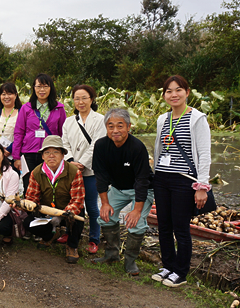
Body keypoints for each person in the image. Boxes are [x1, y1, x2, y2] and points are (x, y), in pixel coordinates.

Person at [152, 75, 211, 288]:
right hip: (161, 178)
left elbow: (204, 154)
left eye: (178, 90)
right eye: (169, 91)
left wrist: (201, 186)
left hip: (184, 180)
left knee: (180, 227)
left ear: (187, 92)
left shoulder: (197, 118)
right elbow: (160, 149)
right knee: (164, 225)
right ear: (164, 95)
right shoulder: (162, 119)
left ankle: (181, 271)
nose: (173, 94)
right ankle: (168, 265)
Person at [92, 108, 154, 275]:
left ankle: (130, 260)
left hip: (141, 190)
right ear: (106, 128)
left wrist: (137, 210)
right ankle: (112, 254)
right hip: (118, 188)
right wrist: (104, 203)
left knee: (137, 223)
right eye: (111, 126)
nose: (115, 130)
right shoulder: (101, 146)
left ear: (128, 127)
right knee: (105, 217)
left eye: (120, 126)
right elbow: (101, 176)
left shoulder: (137, 147)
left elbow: (142, 180)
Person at [22, 136, 85, 263]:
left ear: (63, 155)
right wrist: (27, 205)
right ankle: (50, 235)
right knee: (27, 222)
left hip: (67, 211)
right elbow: (31, 197)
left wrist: (62, 214)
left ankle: (72, 246)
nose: (51, 155)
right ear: (42, 156)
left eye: (56, 152)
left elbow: (77, 200)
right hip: (47, 212)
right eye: (47, 152)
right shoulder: (36, 172)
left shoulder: (74, 171)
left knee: (78, 217)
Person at [60, 84, 106, 254]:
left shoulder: (100, 120)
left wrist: (83, 163)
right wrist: (71, 160)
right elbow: (64, 143)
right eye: (77, 98)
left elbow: (97, 145)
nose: (80, 102)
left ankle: (94, 238)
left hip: (91, 170)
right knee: (72, 205)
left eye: (84, 98)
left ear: (92, 99)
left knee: (92, 207)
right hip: (71, 170)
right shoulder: (69, 121)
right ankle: (70, 234)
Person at [13, 74, 66, 192]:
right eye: (39, 86)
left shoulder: (59, 108)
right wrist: (16, 156)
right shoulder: (26, 108)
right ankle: (31, 211)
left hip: (50, 153)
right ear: (34, 88)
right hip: (29, 154)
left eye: (45, 86)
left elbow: (63, 134)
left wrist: (63, 154)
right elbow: (18, 132)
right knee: (30, 187)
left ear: (51, 88)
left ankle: (48, 210)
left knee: (49, 187)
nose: (42, 90)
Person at [0, 82, 22, 162]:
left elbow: (23, 134)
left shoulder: (21, 112)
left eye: (9, 94)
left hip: (15, 155)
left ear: (15, 95)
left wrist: (10, 149)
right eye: (3, 94)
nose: (6, 97)